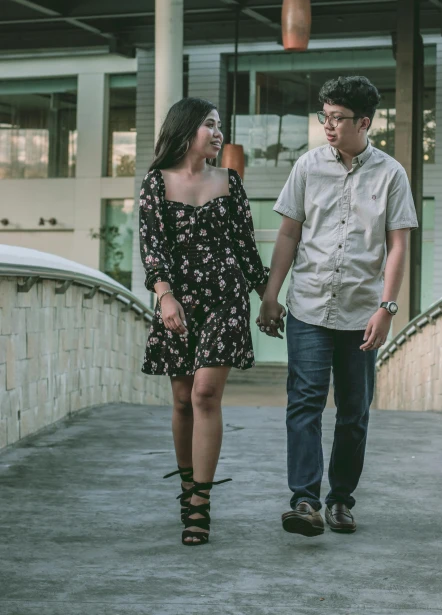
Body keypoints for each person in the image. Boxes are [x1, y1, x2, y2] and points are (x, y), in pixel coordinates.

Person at [258, 75, 418, 537]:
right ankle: (305, 500)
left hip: (361, 311)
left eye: (338, 118)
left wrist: (387, 307)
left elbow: (398, 246)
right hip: (308, 306)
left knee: (354, 410)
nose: (328, 125)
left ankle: (340, 499)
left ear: (364, 122)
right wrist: (271, 294)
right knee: (304, 403)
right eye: (323, 116)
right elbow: (288, 233)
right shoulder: (307, 167)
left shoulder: (391, 174)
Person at [139, 97, 268, 546]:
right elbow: (152, 247)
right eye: (210, 125)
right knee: (180, 400)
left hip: (225, 298)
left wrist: (268, 298)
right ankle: (186, 485)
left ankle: (201, 503)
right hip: (178, 302)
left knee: (205, 393)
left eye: (220, 125)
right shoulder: (156, 183)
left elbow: (247, 249)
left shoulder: (230, 181)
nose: (218, 133)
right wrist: (165, 296)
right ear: (186, 129)